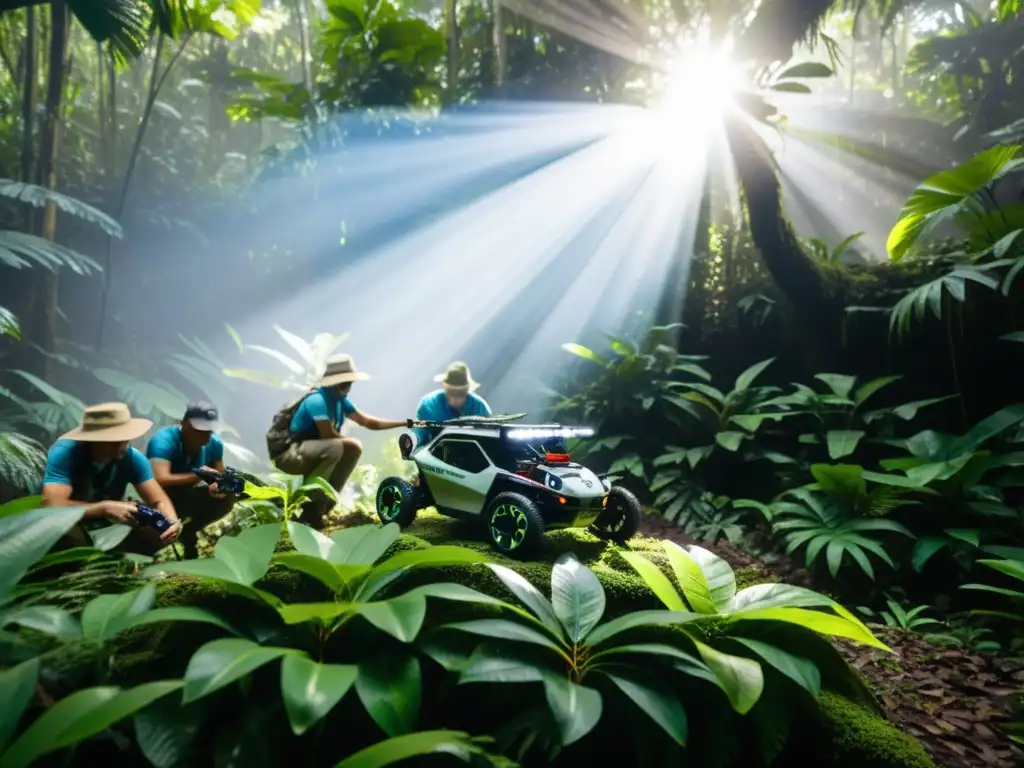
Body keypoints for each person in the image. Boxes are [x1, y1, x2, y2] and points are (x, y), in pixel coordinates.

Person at [271, 354, 408, 529]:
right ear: (332, 382)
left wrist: (404, 422)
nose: (348, 387)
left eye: (349, 382)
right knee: (338, 448)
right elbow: (327, 434)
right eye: (344, 382)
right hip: (291, 454)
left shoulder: (340, 402)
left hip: (313, 451)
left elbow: (369, 422)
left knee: (353, 448)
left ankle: (324, 506)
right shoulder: (317, 400)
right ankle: (310, 505)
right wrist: (347, 442)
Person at [41, 402, 180, 555]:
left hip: (109, 527)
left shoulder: (132, 458)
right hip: (68, 522)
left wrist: (170, 523)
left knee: (153, 534)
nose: (120, 447)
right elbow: (52, 505)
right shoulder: (66, 453)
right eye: (112, 441)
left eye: (124, 440)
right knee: (66, 535)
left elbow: (159, 499)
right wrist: (104, 508)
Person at [146, 401, 234, 559]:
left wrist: (217, 486)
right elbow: (159, 479)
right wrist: (199, 475)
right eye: (199, 429)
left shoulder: (214, 444)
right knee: (152, 537)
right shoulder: (164, 440)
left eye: (208, 429)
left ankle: (191, 533)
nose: (204, 435)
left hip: (188, 495)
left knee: (226, 498)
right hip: (159, 498)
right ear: (184, 424)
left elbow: (219, 477)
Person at [413, 361, 491, 445]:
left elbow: (489, 440)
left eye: (460, 392)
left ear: (468, 389)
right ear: (445, 387)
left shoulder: (480, 408)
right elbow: (419, 438)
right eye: (451, 392)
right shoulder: (428, 405)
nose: (455, 397)